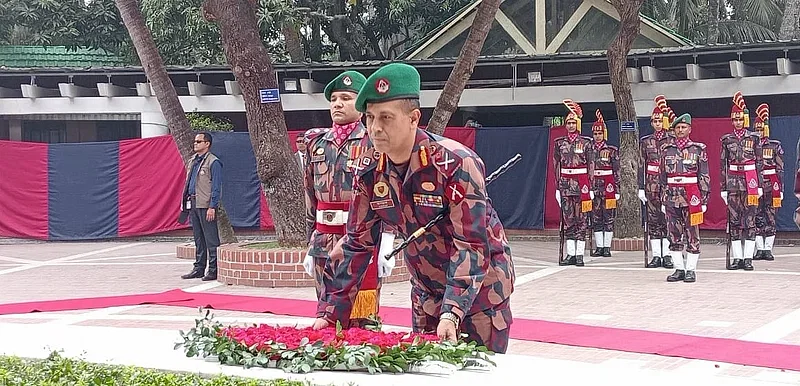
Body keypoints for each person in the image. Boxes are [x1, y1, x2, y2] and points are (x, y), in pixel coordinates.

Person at [311, 63, 515, 354]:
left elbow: (471, 244)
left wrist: (452, 311)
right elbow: (357, 243)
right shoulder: (369, 171)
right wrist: (329, 312)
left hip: (480, 295)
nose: (375, 128)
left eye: (386, 117)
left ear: (413, 118)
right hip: (427, 294)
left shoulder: (455, 164)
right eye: (369, 118)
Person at [301, 70, 396, 329]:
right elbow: (310, 193)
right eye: (333, 99)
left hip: (361, 240)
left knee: (361, 317)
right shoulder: (317, 142)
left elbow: (385, 193)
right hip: (324, 239)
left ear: (361, 103)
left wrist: (387, 238)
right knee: (326, 312)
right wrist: (310, 241)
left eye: (345, 97)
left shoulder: (373, 142)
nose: (337, 104)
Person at [660, 114, 710, 283]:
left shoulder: (698, 149)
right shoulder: (666, 150)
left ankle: (691, 270)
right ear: (673, 130)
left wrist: (704, 199)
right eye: (677, 128)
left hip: (691, 196)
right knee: (673, 234)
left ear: (690, 129)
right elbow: (662, 177)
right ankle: (678, 268)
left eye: (683, 127)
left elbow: (704, 175)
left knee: (692, 233)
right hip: (672, 196)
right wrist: (662, 198)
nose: (680, 130)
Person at [721, 91, 764, 271]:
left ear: (745, 120)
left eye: (740, 119)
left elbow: (760, 162)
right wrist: (723, 187)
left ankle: (748, 258)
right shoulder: (726, 139)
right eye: (735, 120)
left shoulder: (754, 138)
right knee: (735, 221)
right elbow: (722, 164)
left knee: (750, 220)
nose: (738, 122)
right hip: (732, 183)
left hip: (750, 183)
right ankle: (737, 258)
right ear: (732, 121)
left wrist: (760, 185)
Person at [554, 99, 594, 266]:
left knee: (582, 219)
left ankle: (579, 255)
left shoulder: (586, 143)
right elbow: (556, 165)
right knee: (568, 219)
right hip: (565, 185)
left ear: (578, 123)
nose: (570, 125)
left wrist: (590, 187)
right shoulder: (559, 143)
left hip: (581, 185)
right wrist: (557, 187)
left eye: (573, 122)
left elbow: (591, 165)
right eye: (568, 122)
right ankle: (570, 254)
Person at [180, 132, 223, 281]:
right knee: (198, 238)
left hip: (206, 205)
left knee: (211, 238)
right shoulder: (193, 160)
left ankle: (213, 269)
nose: (195, 144)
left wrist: (213, 206)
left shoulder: (213, 162)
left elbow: (216, 187)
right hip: (193, 202)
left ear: (207, 144)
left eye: (199, 141)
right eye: (195, 141)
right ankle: (198, 268)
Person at [638, 95, 676, 268]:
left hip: (668, 185)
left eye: (660, 120)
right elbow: (641, 165)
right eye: (654, 121)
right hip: (651, 185)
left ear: (665, 121)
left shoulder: (673, 140)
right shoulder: (646, 142)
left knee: (668, 219)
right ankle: (657, 255)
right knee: (653, 220)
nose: (657, 123)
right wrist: (640, 187)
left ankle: (667, 254)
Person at [753, 103, 784, 261]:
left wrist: (782, 189)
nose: (758, 132)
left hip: (771, 186)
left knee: (771, 217)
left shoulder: (774, 145)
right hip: (755, 186)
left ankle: (768, 249)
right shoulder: (750, 145)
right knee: (756, 217)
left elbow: (780, 168)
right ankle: (759, 249)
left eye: (760, 129)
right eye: (756, 129)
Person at [589, 109, 619, 257]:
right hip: (594, 187)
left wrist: (617, 190)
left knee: (609, 216)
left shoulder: (612, 150)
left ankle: (607, 247)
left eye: (600, 133)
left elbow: (617, 171)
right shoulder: (589, 150)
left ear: (604, 134)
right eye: (595, 134)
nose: (597, 136)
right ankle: (599, 246)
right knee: (596, 217)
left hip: (609, 188)